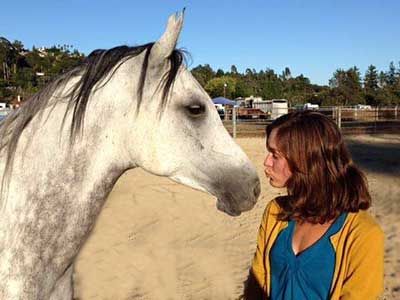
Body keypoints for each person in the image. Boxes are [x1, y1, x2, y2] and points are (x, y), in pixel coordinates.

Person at [243, 111, 384, 300]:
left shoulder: (364, 234)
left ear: (305, 160)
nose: (266, 162)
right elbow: (257, 281)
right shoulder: (275, 212)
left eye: (275, 155)